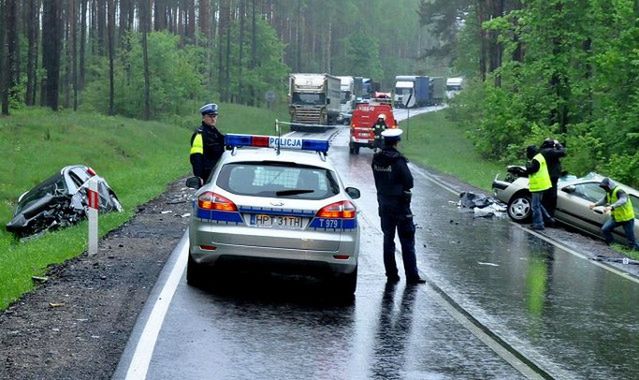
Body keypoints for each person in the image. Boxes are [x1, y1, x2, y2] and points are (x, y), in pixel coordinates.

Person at [371, 128, 425, 285]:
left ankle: (391, 274)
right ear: (396, 142)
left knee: (388, 239)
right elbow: (409, 182)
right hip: (400, 206)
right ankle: (412, 276)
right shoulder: (398, 160)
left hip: (384, 204)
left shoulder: (377, 159)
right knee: (407, 240)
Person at [589, 177, 639, 250]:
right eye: (604, 187)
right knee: (605, 229)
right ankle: (614, 245)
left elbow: (623, 200)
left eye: (605, 187)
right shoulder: (609, 192)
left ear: (610, 185)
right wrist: (595, 204)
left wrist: (611, 207)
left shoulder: (620, 191)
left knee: (631, 240)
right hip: (616, 218)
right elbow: (604, 200)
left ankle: (635, 250)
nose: (604, 189)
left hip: (627, 219)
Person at [190, 103, 225, 184]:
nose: (213, 119)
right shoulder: (200, 134)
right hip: (206, 175)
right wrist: (199, 176)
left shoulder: (216, 133)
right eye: (210, 116)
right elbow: (196, 157)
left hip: (217, 172)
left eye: (214, 116)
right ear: (203, 118)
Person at [525, 145, 554, 230]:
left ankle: (539, 224)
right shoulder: (540, 156)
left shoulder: (536, 159)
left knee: (535, 206)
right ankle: (548, 219)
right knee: (538, 204)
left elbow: (533, 170)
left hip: (538, 186)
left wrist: (527, 168)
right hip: (543, 185)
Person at [539, 138, 566, 217]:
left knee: (546, 198)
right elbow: (563, 152)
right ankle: (547, 217)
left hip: (547, 176)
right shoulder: (549, 151)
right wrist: (558, 144)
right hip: (551, 178)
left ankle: (545, 217)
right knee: (551, 199)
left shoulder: (543, 151)